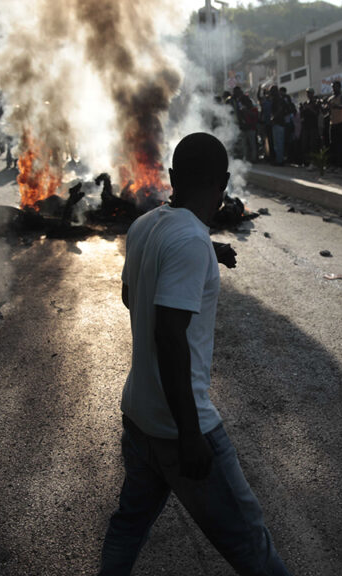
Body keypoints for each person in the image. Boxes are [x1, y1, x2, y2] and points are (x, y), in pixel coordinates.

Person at [98, 133, 291, 576]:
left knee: (128, 525)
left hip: (139, 416)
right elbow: (169, 336)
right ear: (223, 182)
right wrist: (190, 434)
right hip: (177, 426)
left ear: (171, 178)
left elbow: (133, 296)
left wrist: (209, 252)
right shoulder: (189, 241)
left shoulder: (146, 225)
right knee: (250, 545)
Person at [326, 80, 342, 172]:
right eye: (332, 87)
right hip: (333, 124)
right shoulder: (330, 99)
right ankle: (334, 164)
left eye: (335, 87)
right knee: (333, 145)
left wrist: (336, 106)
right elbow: (328, 112)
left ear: (339, 87)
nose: (333, 89)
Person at [300, 88, 321, 165]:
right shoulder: (305, 103)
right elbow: (302, 116)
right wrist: (302, 109)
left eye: (310, 93)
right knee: (305, 144)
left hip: (313, 127)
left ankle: (314, 162)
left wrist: (310, 108)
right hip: (306, 126)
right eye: (308, 93)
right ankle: (306, 161)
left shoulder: (316, 103)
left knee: (313, 145)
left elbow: (317, 113)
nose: (309, 95)